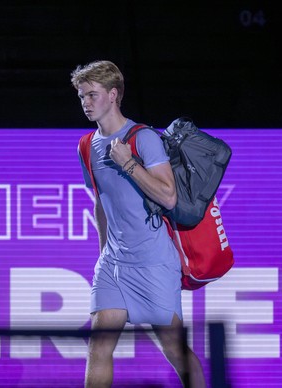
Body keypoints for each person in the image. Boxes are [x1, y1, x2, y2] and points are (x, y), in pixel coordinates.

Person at [71, 60, 205, 387]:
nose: (86, 102)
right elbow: (101, 203)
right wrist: (104, 254)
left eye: (92, 94)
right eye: (81, 96)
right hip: (113, 265)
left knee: (174, 349)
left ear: (113, 95)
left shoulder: (142, 138)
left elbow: (168, 196)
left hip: (153, 263)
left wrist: (127, 163)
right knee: (99, 346)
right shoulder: (86, 145)